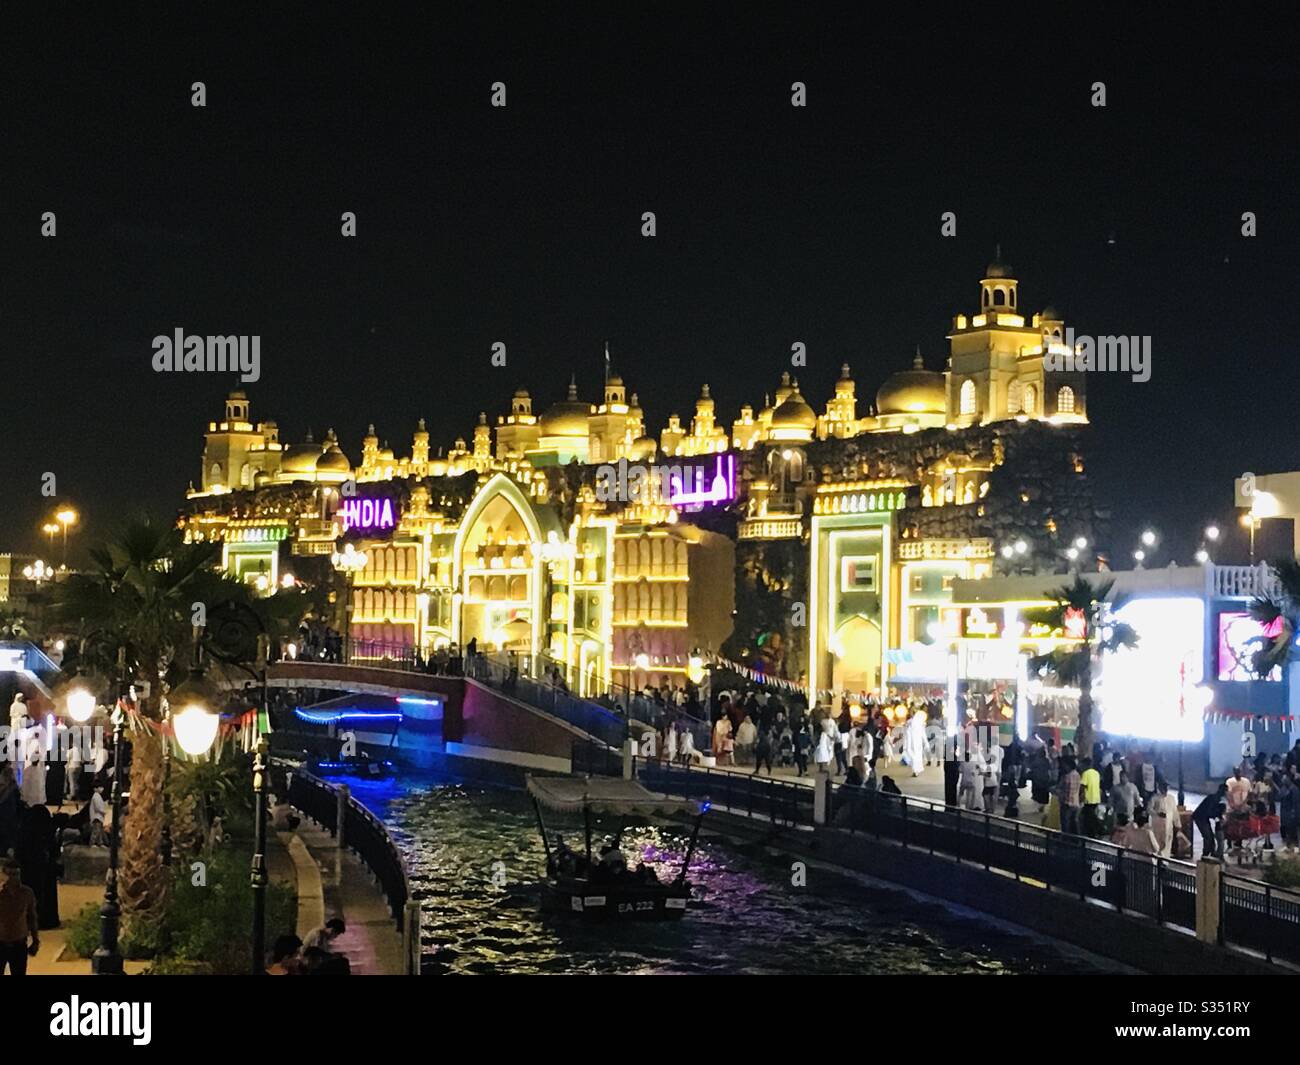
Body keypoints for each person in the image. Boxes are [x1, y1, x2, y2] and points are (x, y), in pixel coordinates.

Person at [0, 858, 39, 975]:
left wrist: (36, 940)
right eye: (10, 874)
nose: (14, 878)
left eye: (16, 874)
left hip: (19, 944)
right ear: (4, 875)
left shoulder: (27, 893)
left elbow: (32, 917)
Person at [1193, 784, 1228, 859]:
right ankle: (1205, 854)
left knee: (1210, 836)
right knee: (1207, 836)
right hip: (1200, 817)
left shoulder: (1217, 798)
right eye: (1226, 791)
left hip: (1204, 818)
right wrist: (1217, 817)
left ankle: (1211, 853)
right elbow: (1209, 811)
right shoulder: (1214, 798)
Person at [1148, 779, 1180, 858]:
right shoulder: (1155, 798)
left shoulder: (1171, 798)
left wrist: (1177, 824)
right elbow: (1149, 809)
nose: (1165, 791)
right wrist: (1157, 814)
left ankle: (1165, 860)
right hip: (1157, 825)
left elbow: (1175, 812)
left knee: (1167, 843)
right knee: (1158, 843)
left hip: (1168, 825)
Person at [1276, 772, 1300, 852]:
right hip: (1284, 813)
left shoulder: (1294, 789)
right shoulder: (1283, 789)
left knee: (1292, 831)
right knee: (1285, 830)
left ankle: (1296, 846)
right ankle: (1287, 845)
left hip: (1292, 814)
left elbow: (1296, 803)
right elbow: (1278, 797)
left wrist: (1294, 814)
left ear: (1289, 779)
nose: (1283, 780)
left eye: (1285, 779)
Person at [1079, 757, 1102, 836]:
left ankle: (1095, 831)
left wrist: (1079, 797)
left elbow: (1083, 786)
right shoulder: (1096, 773)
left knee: (1089, 817)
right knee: (1091, 816)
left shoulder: (1085, 773)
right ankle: (1096, 831)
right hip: (1096, 798)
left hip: (1089, 798)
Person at [1059, 758, 1082, 836]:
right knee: (1074, 823)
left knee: (1065, 824)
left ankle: (1065, 840)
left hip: (1067, 803)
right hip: (1076, 802)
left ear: (1068, 766)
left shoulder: (1067, 776)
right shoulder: (1078, 775)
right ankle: (1076, 840)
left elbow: (1066, 791)